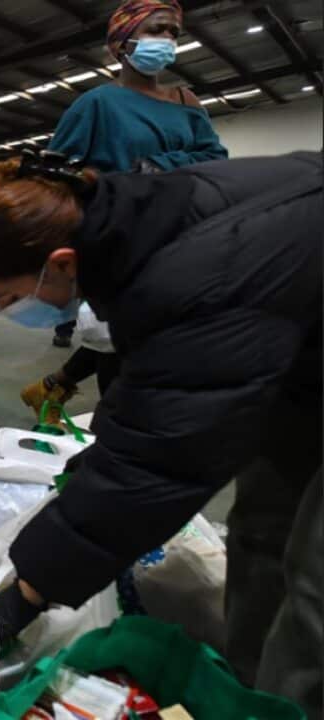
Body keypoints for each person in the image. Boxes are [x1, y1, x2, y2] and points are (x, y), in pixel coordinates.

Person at [0, 151, 322, 713]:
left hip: (297, 354)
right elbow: (157, 381)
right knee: (262, 534)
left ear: (60, 263)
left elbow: (162, 459)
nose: (7, 311)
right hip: (300, 364)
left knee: (314, 595)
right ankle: (245, 694)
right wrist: (98, 462)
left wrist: (27, 594)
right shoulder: (136, 235)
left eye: (7, 298)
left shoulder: (200, 270)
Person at [28, 0, 230, 419]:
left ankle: (55, 389)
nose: (168, 39)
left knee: (165, 349)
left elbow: (215, 158)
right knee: (123, 363)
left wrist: (156, 166)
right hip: (121, 244)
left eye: (173, 32)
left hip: (181, 240)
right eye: (156, 30)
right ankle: (111, 434)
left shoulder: (186, 101)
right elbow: (55, 175)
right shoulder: (97, 104)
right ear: (122, 43)